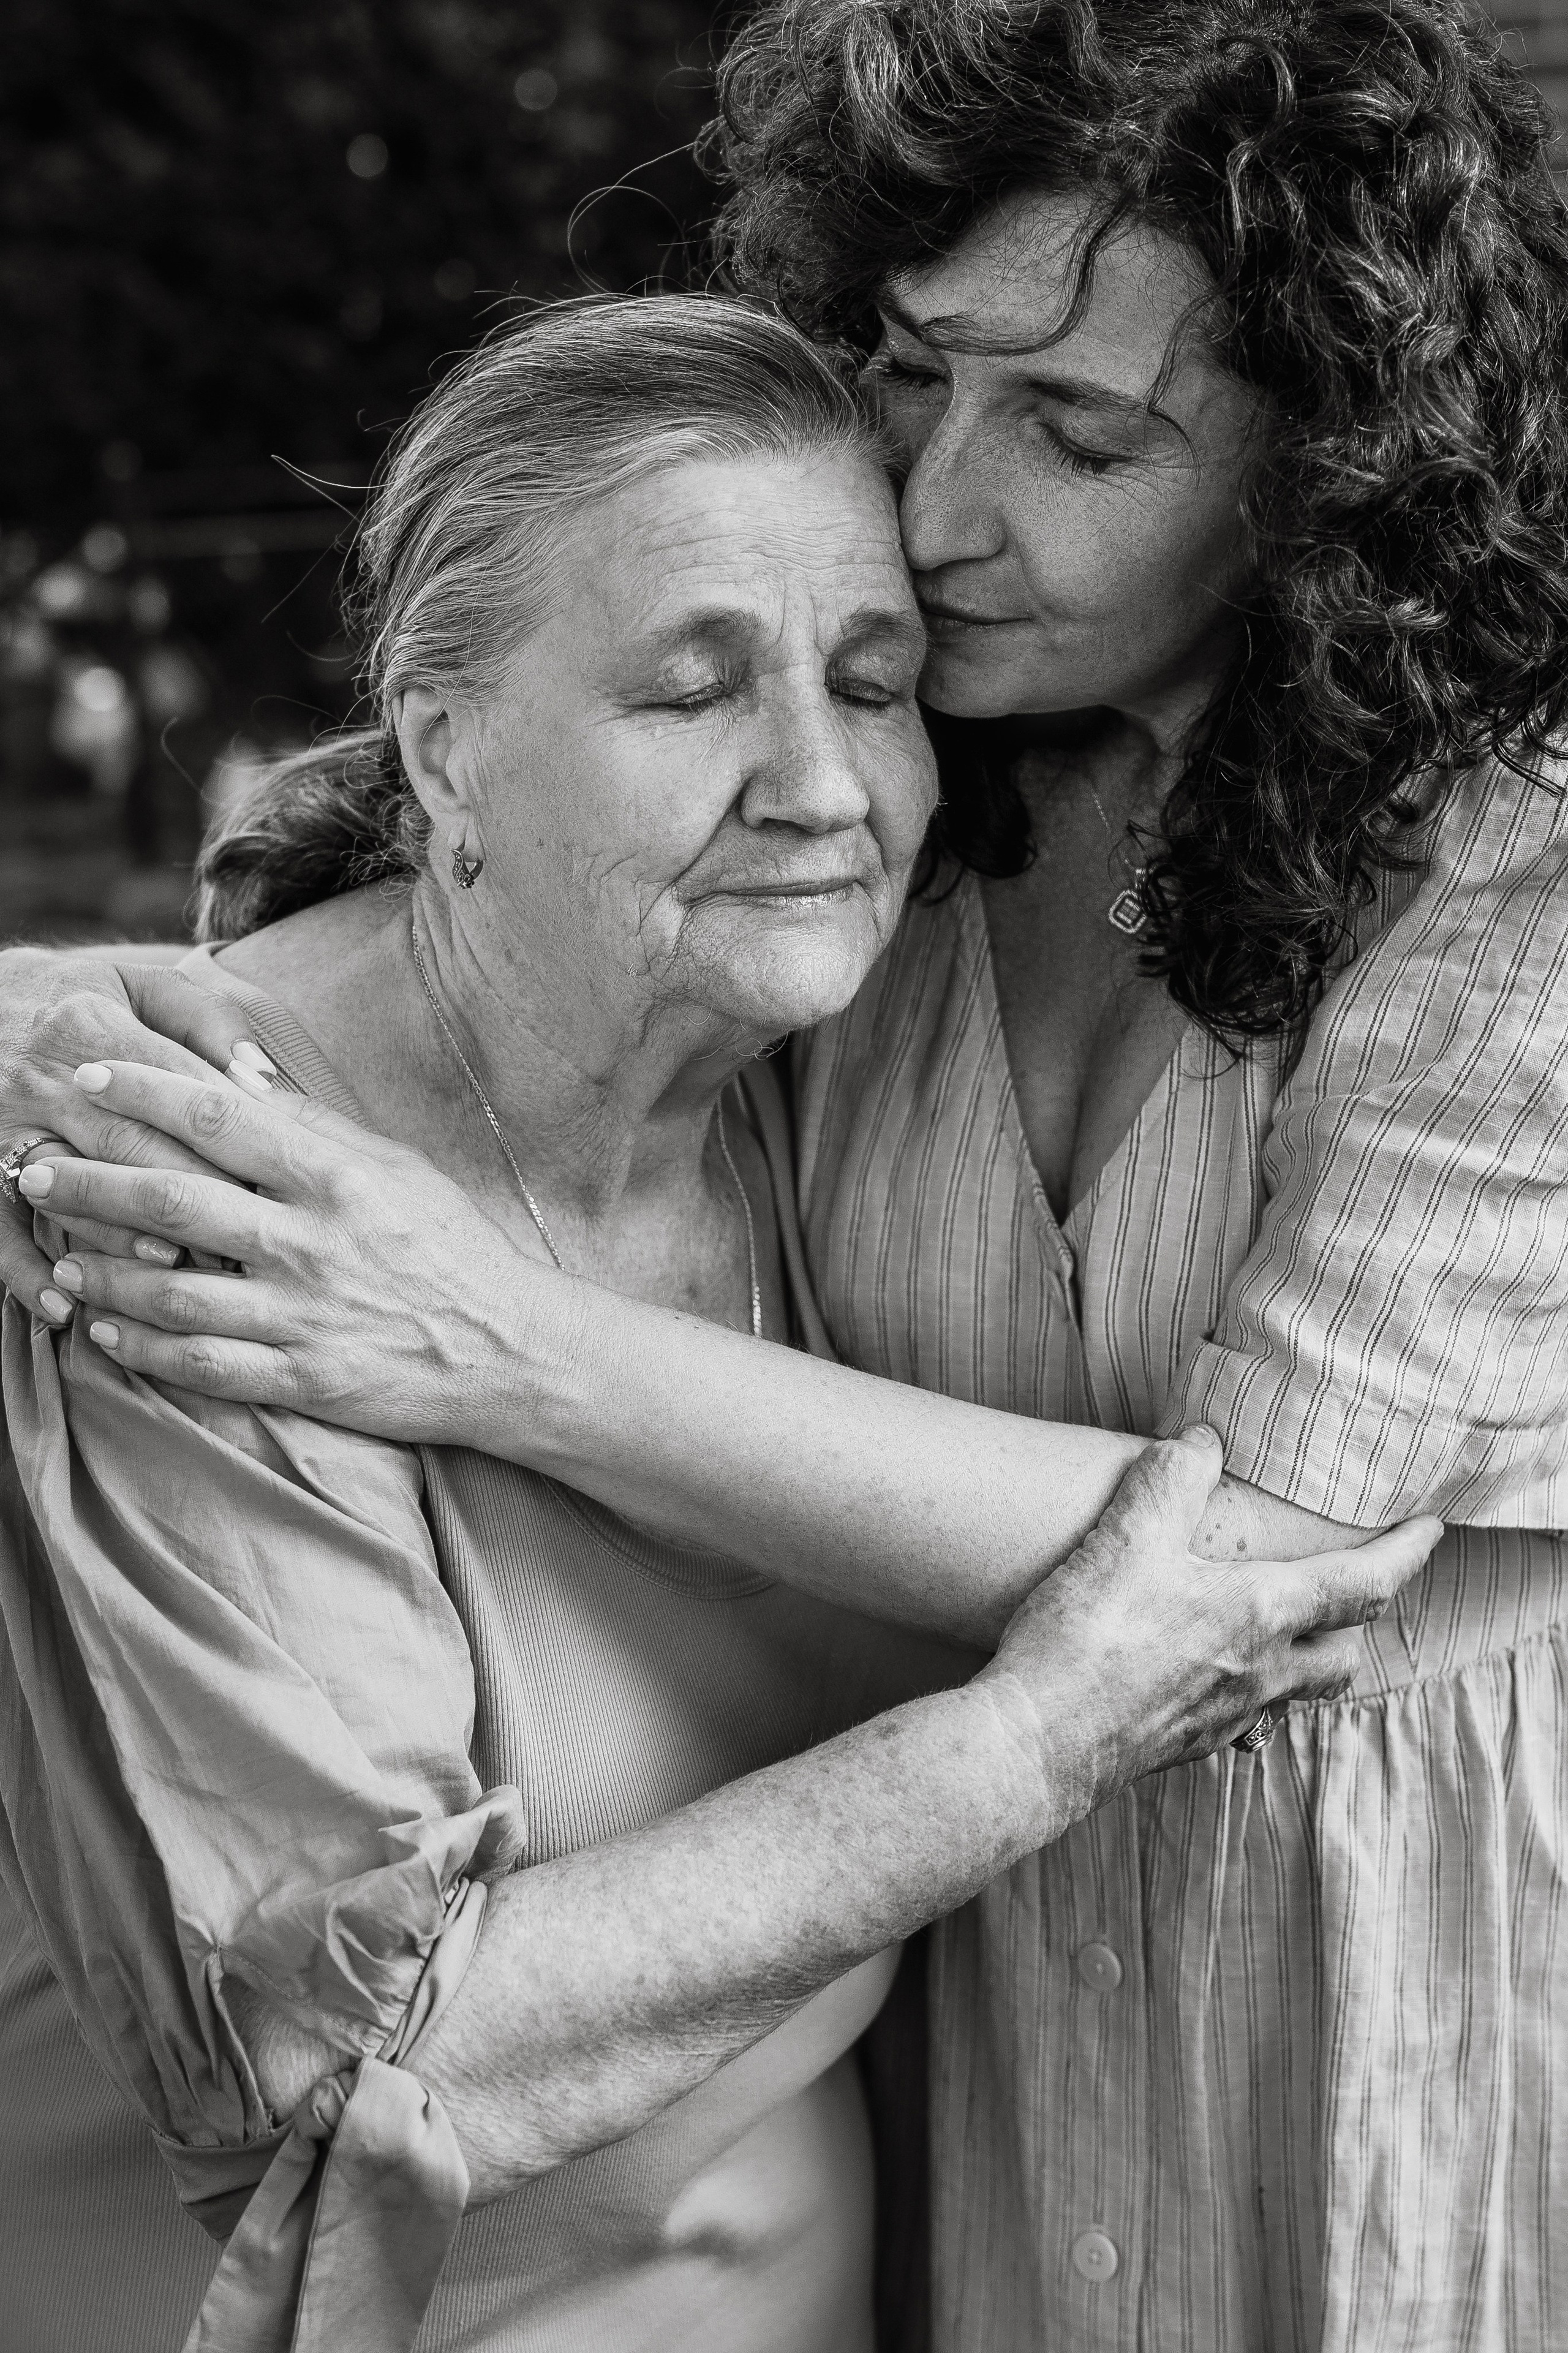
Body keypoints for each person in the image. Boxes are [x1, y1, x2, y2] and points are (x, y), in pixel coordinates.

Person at [2, 1, 1561, 2346]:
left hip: (1385, 1998)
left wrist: (504, 1344)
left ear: (1323, 476)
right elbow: (505, 780)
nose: (938, 511)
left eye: (1082, 432)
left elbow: (1256, 1578)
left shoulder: (1505, 885)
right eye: (922, 372)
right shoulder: (925, 794)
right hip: (985, 2055)